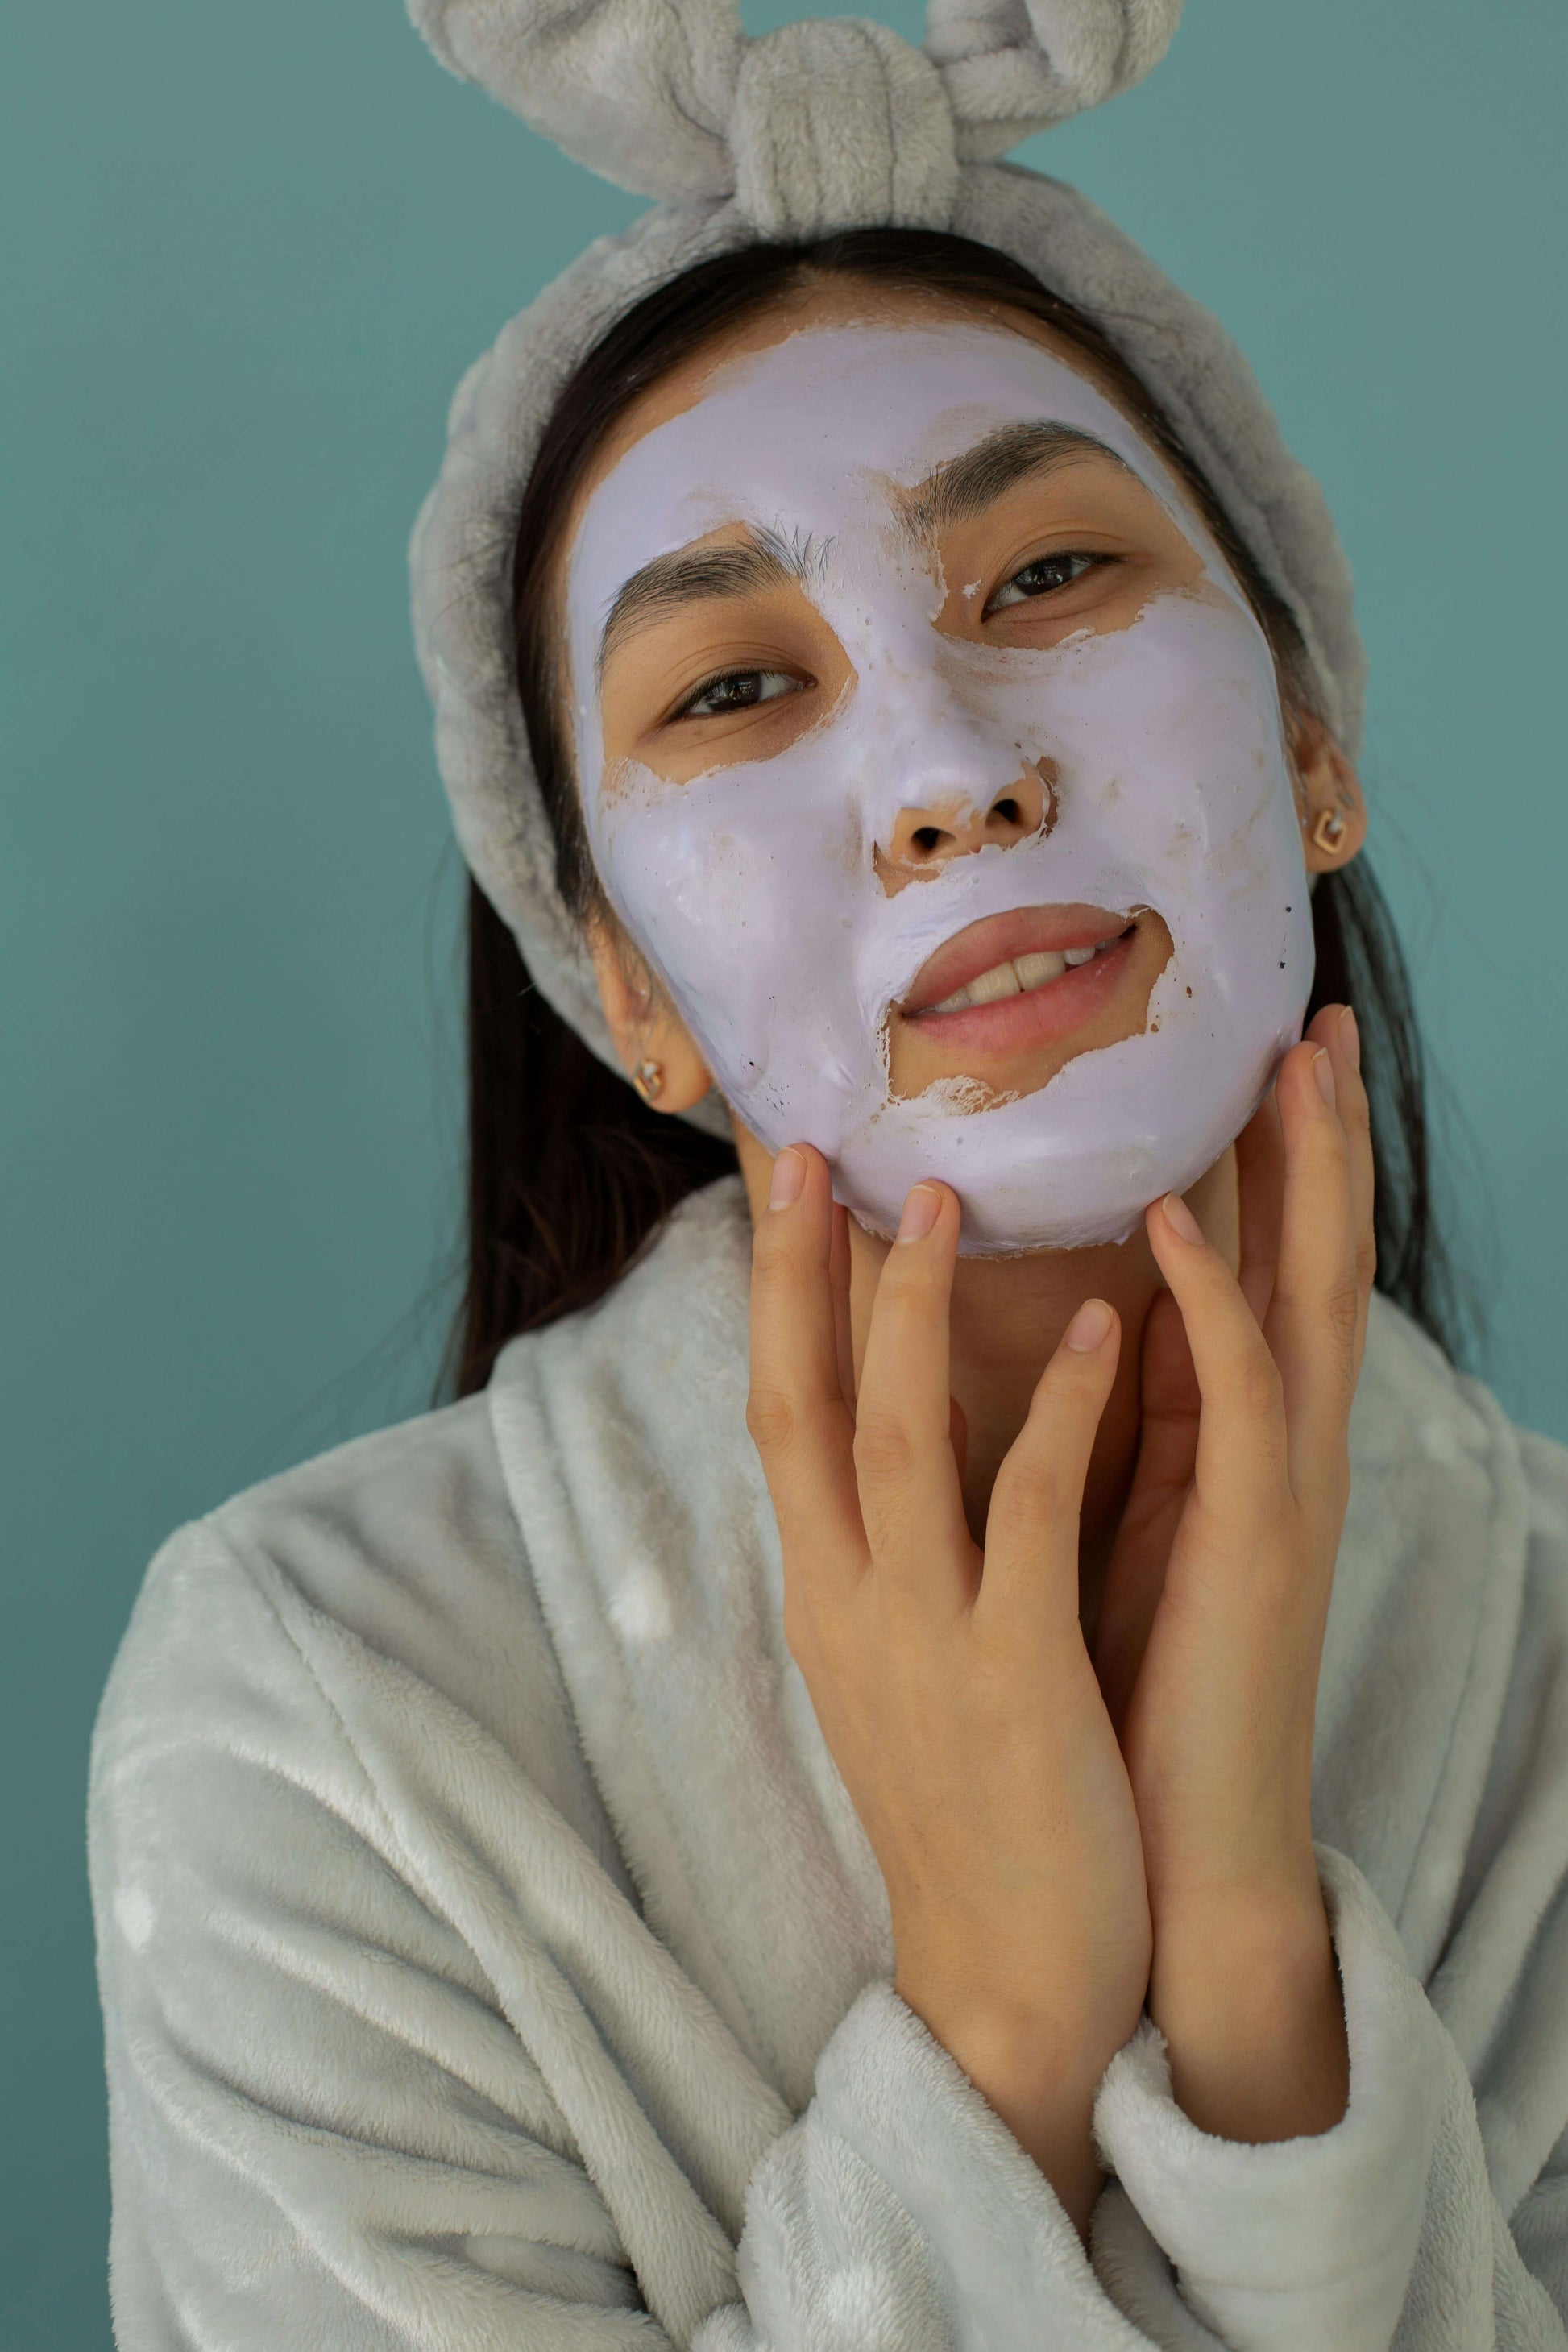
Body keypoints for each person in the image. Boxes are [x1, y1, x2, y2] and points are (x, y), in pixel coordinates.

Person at [89, 3, 1568, 2345]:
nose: (946, 774)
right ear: (625, 994)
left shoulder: (1552, 1655)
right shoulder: (317, 1723)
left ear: (1306, 745)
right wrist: (1001, 2024)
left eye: (1046, 577)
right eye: (732, 690)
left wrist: (1257, 1974)